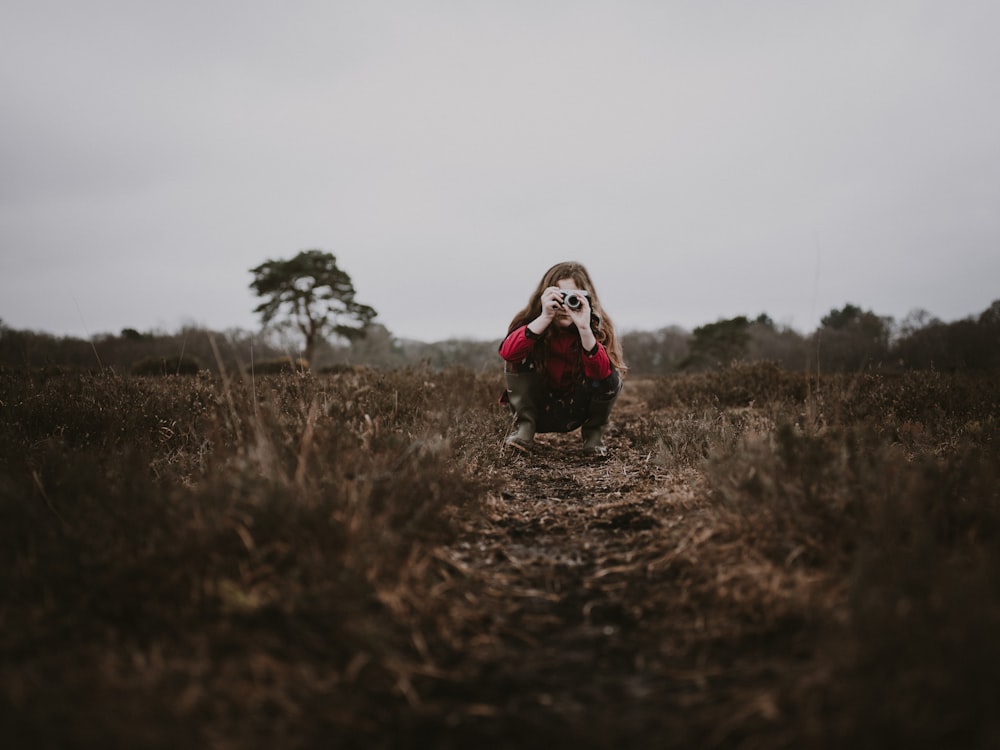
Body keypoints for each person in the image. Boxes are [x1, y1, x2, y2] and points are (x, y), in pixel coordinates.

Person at [499, 261, 626, 456]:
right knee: (519, 352)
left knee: (611, 374)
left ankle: (594, 436)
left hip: (577, 408)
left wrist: (585, 330)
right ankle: (524, 429)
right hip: (540, 407)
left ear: (586, 298)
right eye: (560, 297)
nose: (565, 305)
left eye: (573, 297)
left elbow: (602, 375)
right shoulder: (530, 322)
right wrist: (544, 318)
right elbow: (508, 354)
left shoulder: (597, 326)